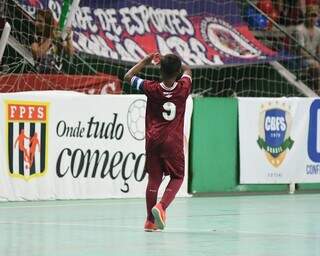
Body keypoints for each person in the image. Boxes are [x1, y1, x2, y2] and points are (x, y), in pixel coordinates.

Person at [124, 53, 192, 232]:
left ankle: (149, 222)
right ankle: (161, 207)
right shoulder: (184, 87)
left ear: (160, 71)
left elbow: (128, 77)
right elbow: (188, 70)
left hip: (153, 140)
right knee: (177, 177)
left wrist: (146, 61)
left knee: (154, 179)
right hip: (173, 142)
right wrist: (170, 61)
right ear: (177, 72)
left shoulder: (151, 87)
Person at [31, 9, 74, 73]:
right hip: (41, 76)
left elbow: (70, 52)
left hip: (57, 77)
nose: (36, 23)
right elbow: (38, 54)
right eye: (35, 20)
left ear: (47, 23)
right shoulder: (35, 37)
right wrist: (51, 38)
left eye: (40, 21)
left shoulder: (57, 36)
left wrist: (69, 38)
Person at [294, 4, 320, 94]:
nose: (312, 18)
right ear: (306, 16)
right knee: (316, 66)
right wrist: (315, 60)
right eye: (310, 15)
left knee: (316, 65)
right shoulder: (299, 30)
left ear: (318, 17)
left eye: (315, 16)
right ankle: (317, 92)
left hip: (314, 60)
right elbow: (300, 51)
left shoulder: (318, 31)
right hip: (301, 59)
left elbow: (318, 49)